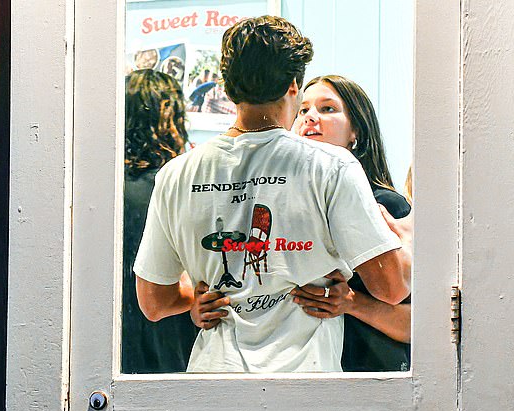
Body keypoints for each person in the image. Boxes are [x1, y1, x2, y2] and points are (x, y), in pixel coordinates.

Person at [134, 16, 411, 373]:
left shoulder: (177, 174)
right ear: (293, 85)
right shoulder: (331, 166)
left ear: (228, 88)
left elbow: (155, 302)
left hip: (212, 382)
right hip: (305, 385)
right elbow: (390, 288)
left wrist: (201, 298)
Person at [290, 75, 412, 371]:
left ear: (355, 130)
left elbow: (419, 323)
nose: (310, 118)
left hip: (369, 372)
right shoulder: (286, 203)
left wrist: (352, 303)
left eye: (327, 109)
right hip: (299, 370)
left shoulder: (386, 204)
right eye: (302, 110)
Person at [122, 69, 198, 373]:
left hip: (117, 339)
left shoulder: (103, 190)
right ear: (174, 119)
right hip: (173, 335)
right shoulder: (181, 186)